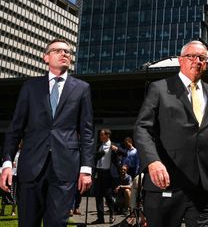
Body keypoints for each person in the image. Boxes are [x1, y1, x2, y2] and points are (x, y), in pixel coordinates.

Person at [134, 40, 208, 227]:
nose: (197, 61)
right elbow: (142, 128)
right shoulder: (160, 88)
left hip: (203, 185)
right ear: (181, 60)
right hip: (168, 180)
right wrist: (152, 161)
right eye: (191, 56)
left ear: (206, 63)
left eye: (202, 58)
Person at [0, 38, 94, 227]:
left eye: (67, 52)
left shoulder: (82, 88)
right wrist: (7, 163)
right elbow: (15, 128)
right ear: (46, 57)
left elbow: (87, 131)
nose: (64, 54)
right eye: (58, 50)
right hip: (31, 166)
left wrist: (86, 168)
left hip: (65, 167)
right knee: (27, 222)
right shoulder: (30, 87)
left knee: (57, 223)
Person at [92, 128, 124, 224]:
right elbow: (94, 158)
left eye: (102, 135)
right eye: (100, 135)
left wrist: (117, 149)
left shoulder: (114, 145)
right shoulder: (99, 146)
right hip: (99, 173)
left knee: (108, 195)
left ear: (107, 135)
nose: (100, 136)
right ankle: (100, 218)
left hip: (108, 174)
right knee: (98, 196)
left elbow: (125, 153)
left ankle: (112, 214)